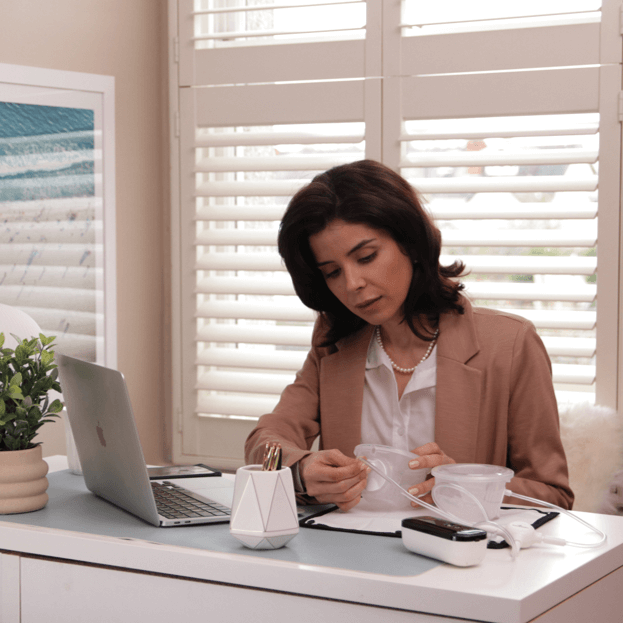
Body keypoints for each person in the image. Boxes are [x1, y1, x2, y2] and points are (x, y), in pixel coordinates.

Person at [244, 159, 573, 512]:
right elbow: (266, 442)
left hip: (462, 559)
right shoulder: (333, 341)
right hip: (349, 555)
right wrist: (300, 470)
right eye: (333, 272)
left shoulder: (510, 345)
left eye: (367, 257)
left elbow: (552, 494)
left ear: (411, 243)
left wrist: (463, 486)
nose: (352, 284)